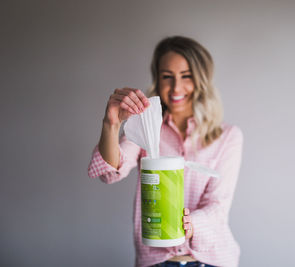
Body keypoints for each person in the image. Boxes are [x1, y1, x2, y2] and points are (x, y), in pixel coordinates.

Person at [88, 36, 243, 267]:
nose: (176, 87)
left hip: (211, 259)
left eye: (186, 76)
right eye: (167, 77)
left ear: (202, 79)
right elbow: (109, 173)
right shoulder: (147, 130)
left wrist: (188, 226)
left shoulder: (228, 137)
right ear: (157, 79)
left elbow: (217, 205)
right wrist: (111, 124)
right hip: (156, 261)